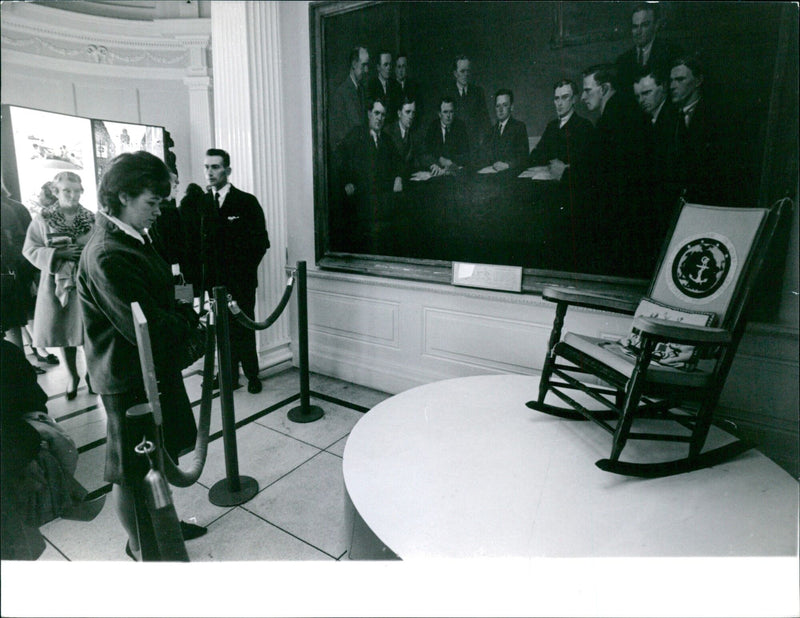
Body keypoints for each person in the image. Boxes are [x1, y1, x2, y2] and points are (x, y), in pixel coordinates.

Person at [77, 151, 207, 561]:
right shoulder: (108, 253)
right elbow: (146, 325)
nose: (157, 212)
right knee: (132, 474)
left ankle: (162, 523)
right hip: (128, 378)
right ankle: (144, 547)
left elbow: (170, 283)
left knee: (157, 457)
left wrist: (188, 307)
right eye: (151, 203)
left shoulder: (134, 235)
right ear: (122, 197)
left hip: (148, 370)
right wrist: (195, 330)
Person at [182, 149, 270, 394]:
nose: (209, 172)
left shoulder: (246, 201)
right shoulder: (199, 204)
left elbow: (261, 243)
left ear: (227, 171)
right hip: (214, 284)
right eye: (206, 167)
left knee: (244, 327)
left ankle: (252, 374)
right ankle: (228, 377)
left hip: (241, 283)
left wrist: (242, 273)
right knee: (221, 331)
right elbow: (193, 246)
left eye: (215, 167)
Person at [22, 171, 94, 399]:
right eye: (66, 191)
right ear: (55, 192)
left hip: (86, 282)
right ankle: (72, 376)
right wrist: (57, 253)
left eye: (76, 191)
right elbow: (29, 249)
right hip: (57, 285)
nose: (73, 196)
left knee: (89, 331)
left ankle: (93, 375)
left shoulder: (91, 218)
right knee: (65, 333)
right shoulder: (43, 219)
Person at [580, 64, 649, 275]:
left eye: (587, 90)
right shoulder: (620, 110)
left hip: (621, 217)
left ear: (605, 88)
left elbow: (602, 174)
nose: (583, 97)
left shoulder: (613, 118)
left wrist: (564, 173)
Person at [336, 98, 403, 253]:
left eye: (383, 115)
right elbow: (340, 158)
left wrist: (399, 177)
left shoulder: (386, 139)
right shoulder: (356, 135)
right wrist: (346, 182)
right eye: (376, 113)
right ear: (368, 114)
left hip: (381, 202)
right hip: (361, 201)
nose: (380, 118)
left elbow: (399, 162)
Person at [668, 55, 724, 205]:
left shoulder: (715, 118)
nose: (672, 86)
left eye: (680, 80)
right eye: (671, 80)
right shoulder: (670, 119)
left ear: (698, 81)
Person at [528, 79, 595, 182]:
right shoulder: (552, 126)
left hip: (572, 184)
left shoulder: (584, 126)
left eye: (564, 97)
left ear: (574, 99)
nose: (559, 103)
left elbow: (585, 165)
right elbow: (536, 154)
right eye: (556, 98)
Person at [615, 2, 682, 101]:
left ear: (656, 25)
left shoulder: (671, 52)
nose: (638, 32)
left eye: (644, 25)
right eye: (635, 26)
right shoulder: (622, 61)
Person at [446, 55, 491, 164]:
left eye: (468, 71)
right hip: (454, 150)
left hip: (474, 150)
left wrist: (482, 144)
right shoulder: (447, 93)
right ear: (455, 74)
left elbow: (485, 122)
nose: (466, 74)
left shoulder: (478, 92)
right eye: (462, 71)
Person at [478, 89, 529, 173]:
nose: (500, 109)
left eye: (504, 105)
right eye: (498, 106)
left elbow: (523, 158)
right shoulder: (491, 131)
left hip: (510, 175)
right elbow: (482, 156)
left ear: (511, 107)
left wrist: (508, 165)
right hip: (491, 175)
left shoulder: (519, 127)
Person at [330, 46, 370, 149]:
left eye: (367, 65)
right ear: (354, 64)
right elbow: (339, 135)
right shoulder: (341, 93)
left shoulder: (362, 91)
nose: (367, 70)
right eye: (364, 65)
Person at [150, 171, 187, 274]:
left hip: (161, 263)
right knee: (180, 288)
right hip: (173, 264)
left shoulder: (157, 208)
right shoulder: (169, 210)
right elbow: (172, 241)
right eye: (174, 187)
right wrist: (176, 263)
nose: (177, 190)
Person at [421, 96, 470, 175]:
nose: (448, 116)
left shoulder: (460, 126)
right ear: (439, 114)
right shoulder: (433, 127)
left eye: (451, 112)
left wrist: (451, 162)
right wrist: (436, 162)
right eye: (445, 112)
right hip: (437, 170)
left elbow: (466, 154)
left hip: (454, 170)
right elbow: (426, 152)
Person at [386, 95, 422, 180]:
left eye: (413, 113)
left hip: (409, 178)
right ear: (399, 113)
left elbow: (423, 153)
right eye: (408, 112)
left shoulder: (415, 133)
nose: (411, 116)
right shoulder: (388, 132)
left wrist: (433, 165)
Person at [367, 50, 401, 120]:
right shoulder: (371, 86)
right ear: (378, 67)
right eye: (385, 65)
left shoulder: (396, 86)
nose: (389, 68)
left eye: (390, 64)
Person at [394, 52, 421, 118]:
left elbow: (419, 110)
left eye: (403, 66)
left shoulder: (414, 87)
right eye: (399, 67)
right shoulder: (389, 86)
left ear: (407, 68)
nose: (401, 70)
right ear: (395, 69)